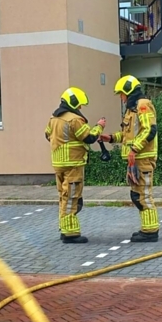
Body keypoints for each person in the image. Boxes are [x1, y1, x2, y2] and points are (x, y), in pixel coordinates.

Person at [100, 76, 160, 242]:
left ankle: (150, 231)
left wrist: (134, 149)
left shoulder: (143, 105)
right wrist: (110, 138)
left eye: (122, 94)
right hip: (135, 158)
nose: (121, 97)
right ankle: (146, 228)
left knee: (144, 195)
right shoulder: (131, 110)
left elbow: (150, 130)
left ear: (129, 91)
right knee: (136, 195)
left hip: (143, 157)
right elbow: (128, 135)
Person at [45, 87, 106, 244]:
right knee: (72, 197)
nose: (80, 108)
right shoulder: (74, 120)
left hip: (58, 163)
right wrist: (100, 126)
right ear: (74, 103)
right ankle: (71, 234)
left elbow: (47, 135)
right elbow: (89, 137)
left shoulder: (53, 118)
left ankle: (64, 228)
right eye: (79, 105)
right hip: (73, 163)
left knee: (63, 196)